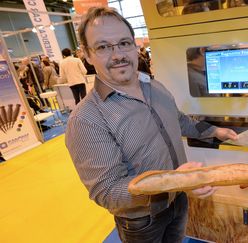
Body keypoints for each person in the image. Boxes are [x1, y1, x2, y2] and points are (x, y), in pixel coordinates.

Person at [65, 7, 238, 243]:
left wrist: (215, 131)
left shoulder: (154, 87)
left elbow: (179, 120)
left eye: (124, 43)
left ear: (135, 46)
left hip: (178, 200)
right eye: (103, 47)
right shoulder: (86, 120)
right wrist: (177, 180)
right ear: (86, 54)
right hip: (142, 221)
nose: (117, 55)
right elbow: (107, 191)